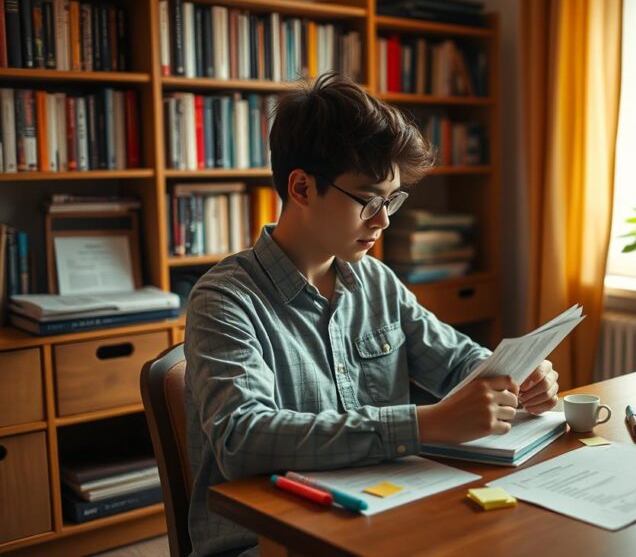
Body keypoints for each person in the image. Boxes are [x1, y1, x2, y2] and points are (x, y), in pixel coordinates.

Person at [183, 73, 559, 557]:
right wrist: (424, 425)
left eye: (392, 200)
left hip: (381, 513)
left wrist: (518, 377)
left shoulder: (375, 282)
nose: (383, 220)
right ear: (301, 187)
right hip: (266, 539)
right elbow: (243, 438)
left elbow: (456, 362)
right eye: (369, 199)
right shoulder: (225, 299)